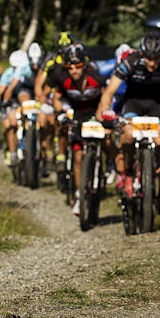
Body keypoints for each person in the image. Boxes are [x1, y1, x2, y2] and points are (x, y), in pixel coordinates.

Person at [97, 31, 160, 212]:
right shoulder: (131, 61)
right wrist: (106, 110)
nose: (152, 63)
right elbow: (109, 92)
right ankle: (128, 172)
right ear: (142, 53)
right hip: (133, 103)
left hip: (157, 104)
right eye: (148, 58)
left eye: (156, 58)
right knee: (129, 134)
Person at [50, 42, 107, 216]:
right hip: (75, 113)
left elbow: (107, 95)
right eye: (70, 67)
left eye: (78, 66)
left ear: (85, 66)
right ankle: (78, 192)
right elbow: (56, 99)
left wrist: (102, 115)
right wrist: (61, 112)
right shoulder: (62, 78)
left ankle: (106, 168)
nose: (74, 70)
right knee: (78, 155)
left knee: (107, 139)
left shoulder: (96, 77)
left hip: (95, 112)